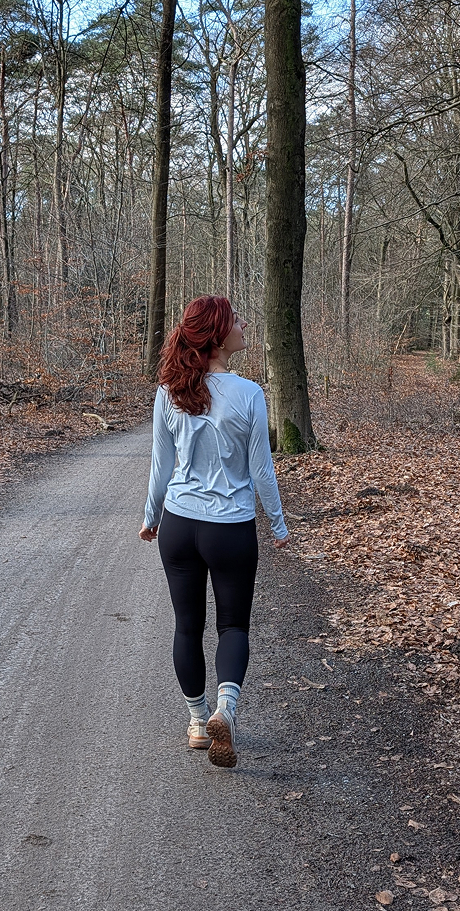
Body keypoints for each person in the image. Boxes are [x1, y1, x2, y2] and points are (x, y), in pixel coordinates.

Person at [140, 295, 289, 769]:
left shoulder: (169, 390)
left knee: (187, 625)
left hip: (180, 525)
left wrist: (151, 517)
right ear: (219, 337)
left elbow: (161, 466)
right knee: (232, 625)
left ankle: (197, 720)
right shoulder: (248, 394)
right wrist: (279, 524)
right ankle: (227, 708)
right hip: (230, 529)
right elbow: (262, 471)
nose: (244, 325)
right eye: (237, 320)